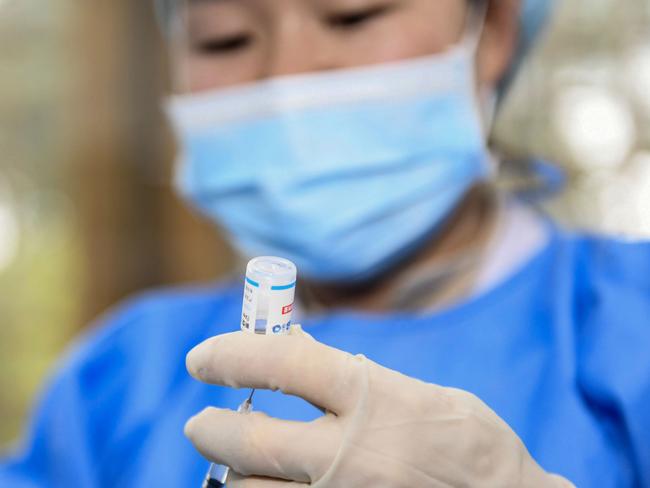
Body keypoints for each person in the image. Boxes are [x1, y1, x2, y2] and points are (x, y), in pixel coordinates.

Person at [1, 0, 649, 486]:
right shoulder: (117, 381)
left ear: (494, 32)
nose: (289, 77)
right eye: (225, 38)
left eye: (351, 14)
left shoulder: (629, 330)